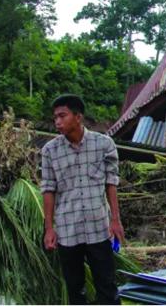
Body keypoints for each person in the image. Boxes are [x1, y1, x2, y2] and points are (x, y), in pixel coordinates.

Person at [41, 94, 124, 304]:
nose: (57, 122)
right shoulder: (50, 151)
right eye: (55, 118)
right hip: (68, 230)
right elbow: (48, 189)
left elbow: (111, 183)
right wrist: (49, 228)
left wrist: (115, 220)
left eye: (62, 116)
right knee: (75, 288)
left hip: (99, 227)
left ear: (78, 117)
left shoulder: (104, 144)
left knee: (107, 285)